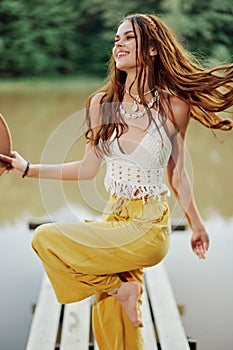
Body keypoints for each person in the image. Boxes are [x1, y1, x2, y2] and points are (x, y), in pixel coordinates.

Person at [1, 13, 232, 350]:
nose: (117, 44)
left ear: (152, 49)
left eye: (128, 38)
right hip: (113, 218)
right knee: (112, 322)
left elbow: (176, 173)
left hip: (149, 225)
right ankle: (119, 291)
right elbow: (86, 168)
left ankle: (120, 289)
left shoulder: (175, 106)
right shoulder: (101, 103)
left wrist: (196, 224)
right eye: (115, 39)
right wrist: (27, 168)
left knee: (46, 237)